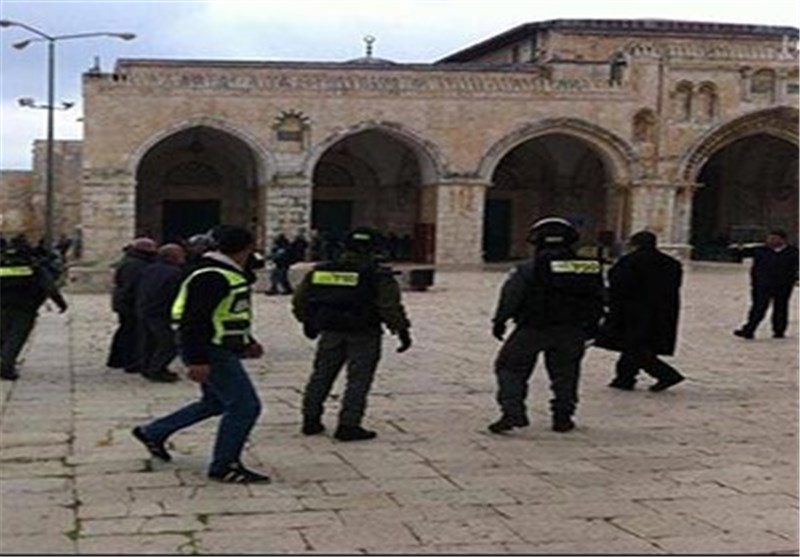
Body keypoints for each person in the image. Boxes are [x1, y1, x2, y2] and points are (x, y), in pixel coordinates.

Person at [131, 225, 270, 483]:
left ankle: (153, 432)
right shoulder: (211, 276)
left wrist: (247, 341)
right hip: (212, 350)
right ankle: (225, 465)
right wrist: (197, 360)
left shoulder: (226, 273)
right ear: (245, 248)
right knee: (245, 406)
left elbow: (227, 314)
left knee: (215, 402)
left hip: (221, 346)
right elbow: (195, 321)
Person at [292, 227, 412, 441]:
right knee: (358, 380)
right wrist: (402, 330)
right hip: (364, 332)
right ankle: (349, 424)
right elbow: (389, 306)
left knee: (321, 376)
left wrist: (308, 322)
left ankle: (310, 419)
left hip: (331, 331)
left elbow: (301, 300)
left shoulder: (323, 270)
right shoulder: (377, 274)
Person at [488, 217, 604, 434]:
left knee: (510, 367)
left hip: (533, 328)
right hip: (572, 329)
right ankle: (563, 417)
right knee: (566, 373)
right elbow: (600, 297)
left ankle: (512, 413)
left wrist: (500, 321)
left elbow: (511, 296)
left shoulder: (527, 269)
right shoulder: (588, 266)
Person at [596, 230, 685, 392]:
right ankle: (624, 378)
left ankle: (666, 374)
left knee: (634, 346)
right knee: (637, 346)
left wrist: (608, 304)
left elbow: (618, 286)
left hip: (633, 312)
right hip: (662, 312)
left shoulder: (629, 262)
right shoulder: (671, 263)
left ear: (634, 244)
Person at [1, 236, 68, 380]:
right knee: (16, 337)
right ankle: (6, 366)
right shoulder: (32, 263)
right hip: (26, 306)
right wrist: (60, 303)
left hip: (2, 304)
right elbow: (49, 285)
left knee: (3, 334)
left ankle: (4, 360)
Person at [731, 229, 799, 339]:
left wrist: (795, 278)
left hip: (783, 285)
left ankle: (779, 331)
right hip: (762, 285)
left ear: (783, 240)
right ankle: (749, 330)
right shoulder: (760, 250)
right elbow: (739, 254)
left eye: (774, 238)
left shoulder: (793, 252)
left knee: (780, 308)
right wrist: (737, 249)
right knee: (758, 307)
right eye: (770, 238)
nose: (770, 241)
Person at [135, 244, 186, 383]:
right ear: (172, 257)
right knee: (168, 343)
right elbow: (173, 295)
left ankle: (147, 367)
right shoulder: (174, 273)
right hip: (161, 312)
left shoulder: (149, 268)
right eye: (181, 255)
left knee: (149, 341)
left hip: (145, 309)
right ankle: (156, 369)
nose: (184, 257)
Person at [106, 238, 158, 373]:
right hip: (130, 303)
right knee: (132, 333)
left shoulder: (132, 261)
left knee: (126, 330)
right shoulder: (135, 265)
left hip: (124, 302)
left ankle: (118, 359)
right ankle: (131, 361)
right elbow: (133, 287)